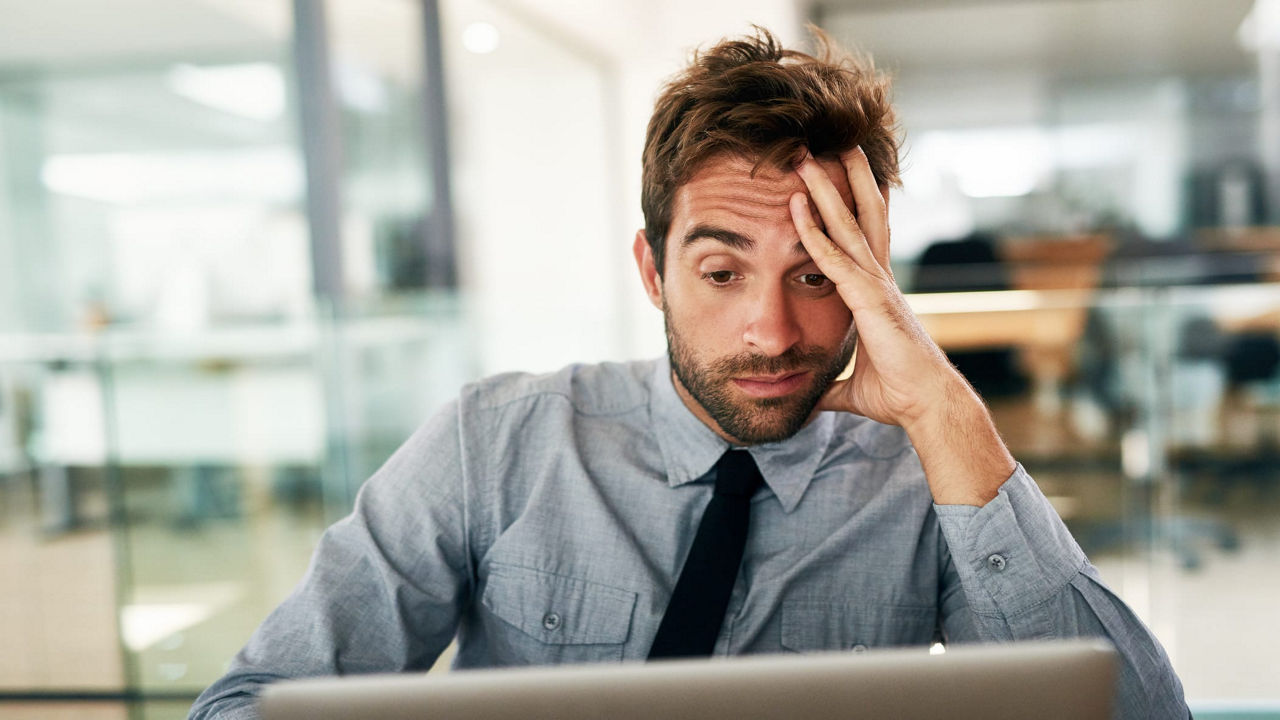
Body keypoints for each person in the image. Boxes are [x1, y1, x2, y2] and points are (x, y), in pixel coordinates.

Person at [190, 28, 1188, 719]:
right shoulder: (496, 442)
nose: (770, 329)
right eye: (720, 272)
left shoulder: (926, 476)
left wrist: (937, 406)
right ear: (651, 271)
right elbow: (244, 705)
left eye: (818, 276)